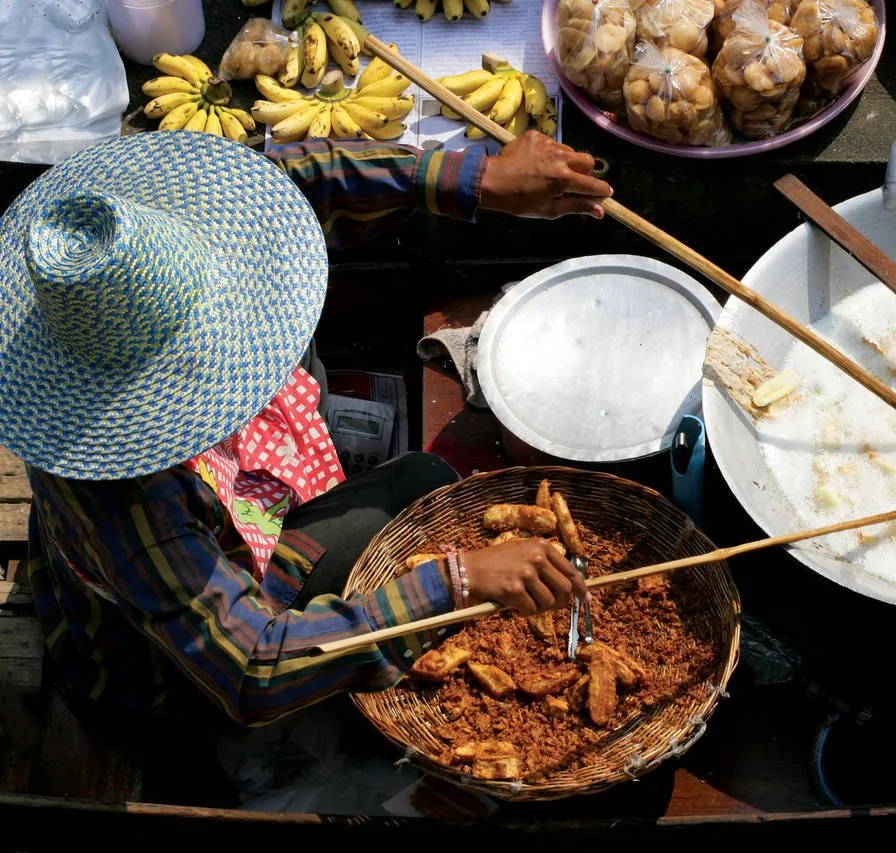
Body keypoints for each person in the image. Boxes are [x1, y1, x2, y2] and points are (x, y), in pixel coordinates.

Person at [0, 128, 613, 742]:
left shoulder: (157, 237)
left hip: (227, 521)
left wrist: (473, 179)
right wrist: (457, 583)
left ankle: (295, 508)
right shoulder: (127, 499)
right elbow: (252, 670)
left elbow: (300, 175)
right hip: (172, 666)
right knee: (424, 487)